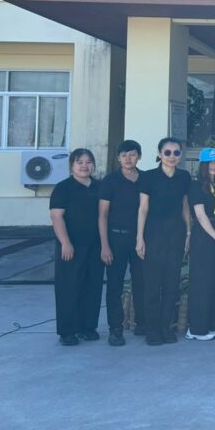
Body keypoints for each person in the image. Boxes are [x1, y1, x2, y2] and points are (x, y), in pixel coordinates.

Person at [136, 138, 192, 346]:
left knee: (171, 284)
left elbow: (185, 206)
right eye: (167, 152)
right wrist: (139, 238)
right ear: (160, 154)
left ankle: (165, 327)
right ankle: (152, 330)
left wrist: (188, 233)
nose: (172, 156)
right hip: (153, 235)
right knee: (152, 285)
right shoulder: (149, 177)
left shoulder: (184, 177)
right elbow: (143, 209)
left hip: (176, 235)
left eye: (176, 153)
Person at [50, 148, 103, 346]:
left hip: (95, 246)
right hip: (71, 246)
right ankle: (67, 331)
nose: (84, 166)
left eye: (88, 162)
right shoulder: (63, 188)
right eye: (79, 162)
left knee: (92, 287)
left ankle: (87, 327)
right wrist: (65, 242)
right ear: (72, 165)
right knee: (69, 288)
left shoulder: (99, 187)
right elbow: (57, 217)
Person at [98, 139, 144, 346]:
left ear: (139, 157)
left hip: (140, 239)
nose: (128, 159)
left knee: (142, 282)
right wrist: (105, 245)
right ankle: (115, 329)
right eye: (124, 155)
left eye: (132, 154)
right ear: (118, 158)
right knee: (115, 285)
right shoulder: (110, 181)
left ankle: (142, 323)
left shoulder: (146, 179)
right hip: (116, 239)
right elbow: (102, 215)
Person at [185, 147, 215, 341]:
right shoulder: (196, 186)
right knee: (201, 282)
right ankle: (196, 329)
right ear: (203, 165)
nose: (214, 166)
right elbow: (200, 215)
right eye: (210, 162)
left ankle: (213, 324)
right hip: (204, 236)